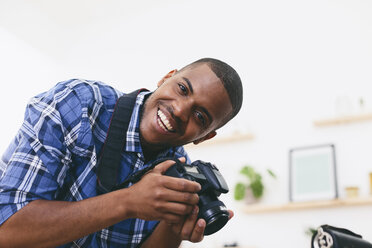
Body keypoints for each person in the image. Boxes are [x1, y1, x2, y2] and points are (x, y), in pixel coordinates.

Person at [0, 58, 243, 248]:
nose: (180, 110)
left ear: (204, 137)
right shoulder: (80, 103)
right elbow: (7, 230)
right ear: (166, 77)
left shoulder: (177, 174)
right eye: (182, 88)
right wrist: (130, 201)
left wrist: (172, 229)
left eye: (200, 117)